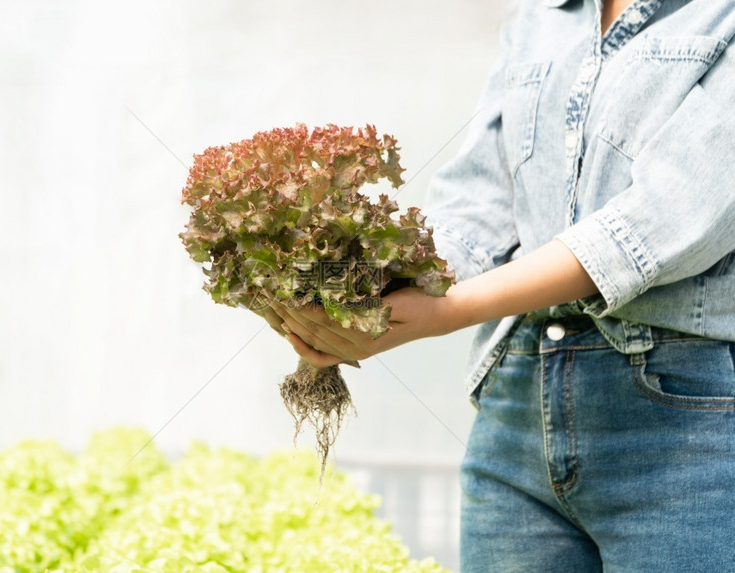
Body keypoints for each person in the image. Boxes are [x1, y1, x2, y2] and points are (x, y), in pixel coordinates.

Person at [262, 0, 735, 571]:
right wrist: (355, 287)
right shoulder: (543, 16)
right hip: (517, 403)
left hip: (682, 419)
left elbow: (669, 215)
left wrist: (451, 311)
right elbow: (481, 201)